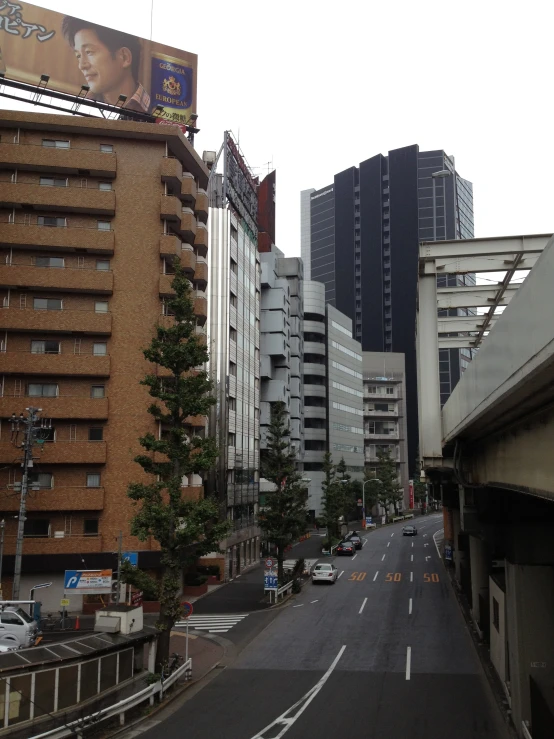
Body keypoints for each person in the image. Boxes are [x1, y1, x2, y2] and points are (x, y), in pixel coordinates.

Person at [62, 16, 150, 112]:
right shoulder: (81, 109)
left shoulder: (159, 113)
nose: (82, 65)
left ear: (124, 57)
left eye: (89, 52)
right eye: (78, 56)